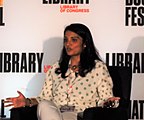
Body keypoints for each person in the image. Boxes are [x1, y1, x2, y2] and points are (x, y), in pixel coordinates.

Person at [4, 23, 120, 120]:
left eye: (73, 40)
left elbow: (105, 99)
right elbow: (44, 98)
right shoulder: (55, 68)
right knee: (45, 105)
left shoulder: (98, 68)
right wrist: (27, 101)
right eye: (66, 40)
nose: (68, 44)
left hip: (79, 114)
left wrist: (109, 102)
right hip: (54, 113)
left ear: (85, 43)